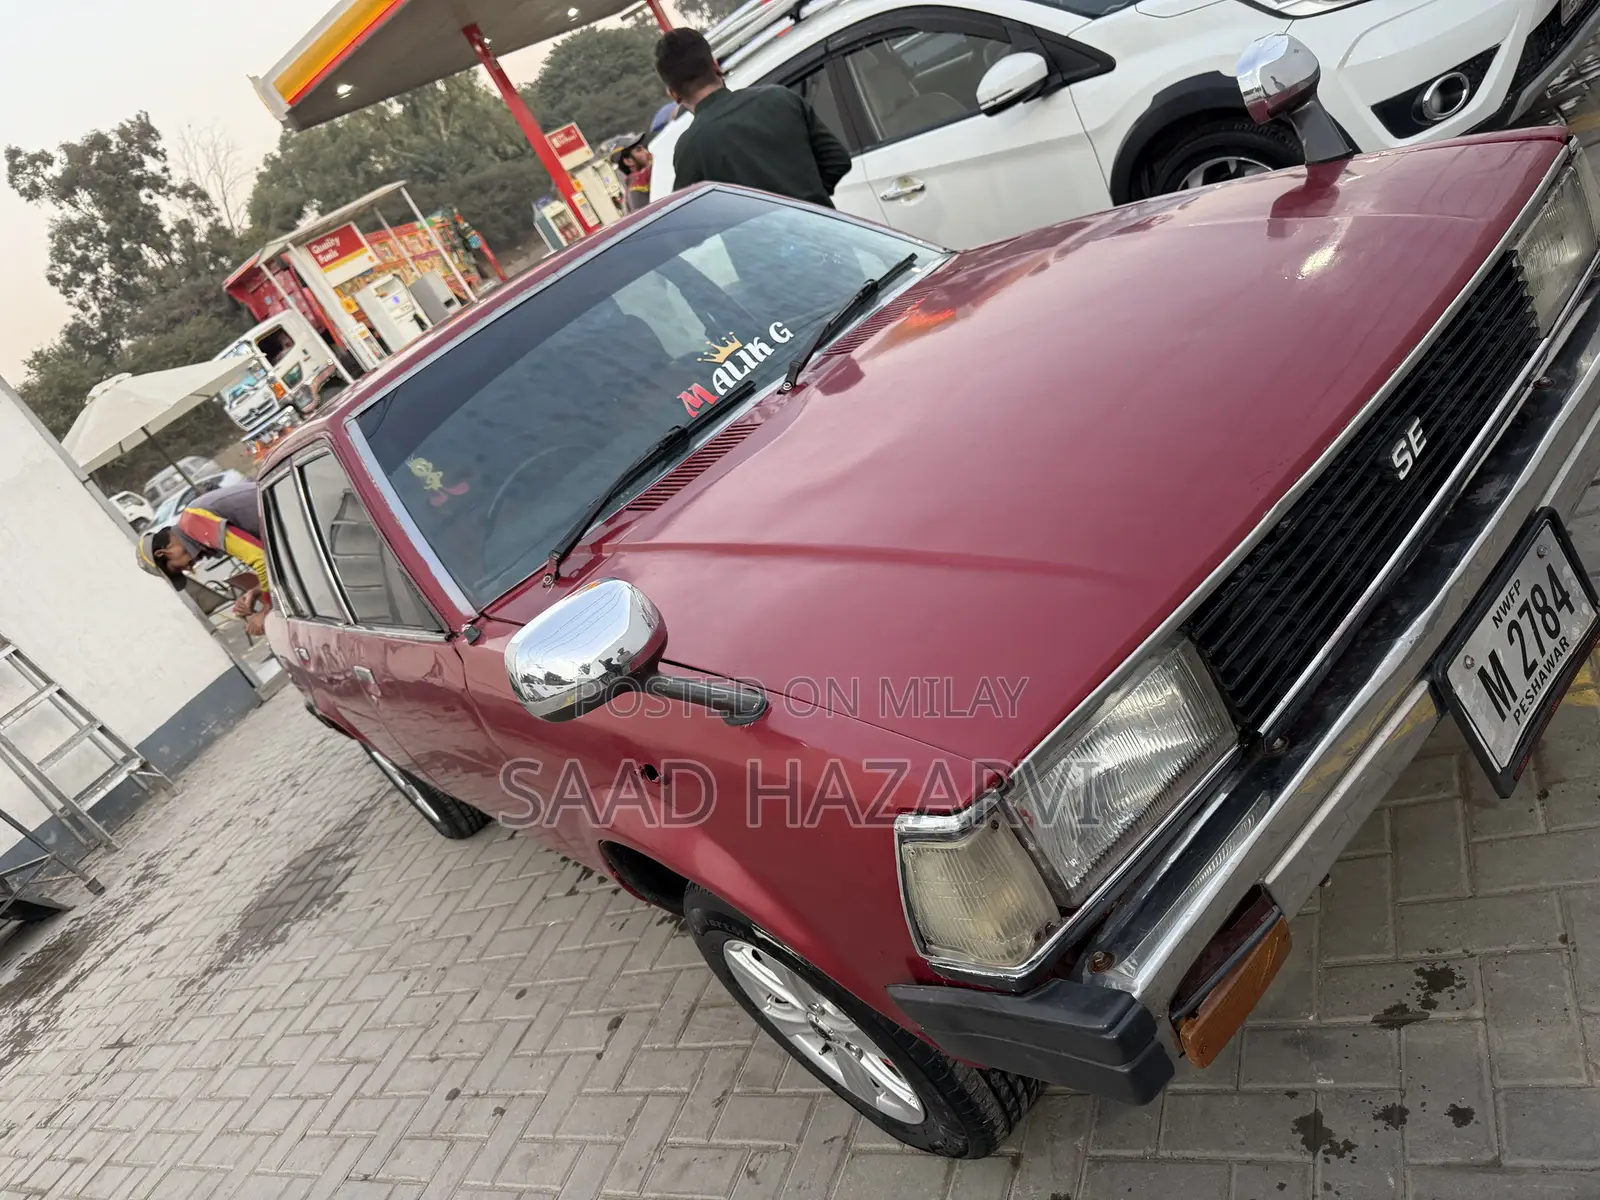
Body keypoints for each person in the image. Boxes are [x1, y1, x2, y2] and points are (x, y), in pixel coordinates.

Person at [654, 28, 851, 209]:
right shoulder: (780, 98)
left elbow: (690, 222)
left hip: (761, 247)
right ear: (716, 66)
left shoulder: (689, 148)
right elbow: (838, 160)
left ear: (674, 94)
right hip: (831, 238)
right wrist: (807, 201)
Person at [137, 483, 272, 636]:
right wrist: (256, 591)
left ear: (162, 552)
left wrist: (267, 609)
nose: (189, 569)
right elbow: (272, 561)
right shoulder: (193, 523)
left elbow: (262, 559)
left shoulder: (194, 523)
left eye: (178, 568)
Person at [614, 141, 654, 212]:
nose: (646, 152)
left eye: (645, 148)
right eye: (639, 150)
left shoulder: (630, 186)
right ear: (628, 161)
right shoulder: (639, 180)